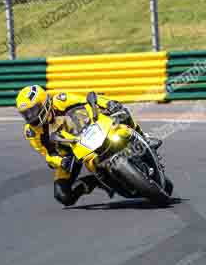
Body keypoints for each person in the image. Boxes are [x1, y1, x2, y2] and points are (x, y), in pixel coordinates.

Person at [15, 84, 162, 207]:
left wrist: (108, 104)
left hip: (89, 130)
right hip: (68, 155)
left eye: (33, 111)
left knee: (121, 112)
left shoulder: (61, 99)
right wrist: (61, 161)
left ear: (44, 102)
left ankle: (144, 137)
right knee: (63, 196)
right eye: (26, 114)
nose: (31, 117)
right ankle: (94, 182)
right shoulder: (32, 132)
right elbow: (48, 154)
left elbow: (90, 99)